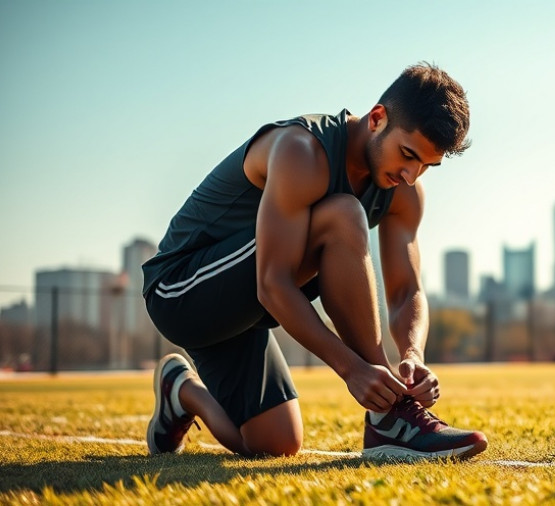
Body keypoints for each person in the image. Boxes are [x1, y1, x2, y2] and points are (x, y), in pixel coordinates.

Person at [142, 63, 487, 460]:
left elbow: (407, 289)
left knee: (278, 444)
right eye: (407, 155)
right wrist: (353, 368)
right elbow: (273, 284)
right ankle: (390, 418)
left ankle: (180, 392)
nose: (412, 175)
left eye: (427, 165)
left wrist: (412, 354)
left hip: (245, 315)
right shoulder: (302, 150)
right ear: (377, 119)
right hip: (180, 291)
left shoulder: (405, 190)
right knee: (344, 214)